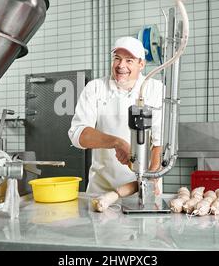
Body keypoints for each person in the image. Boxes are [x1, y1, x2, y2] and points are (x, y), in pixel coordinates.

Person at [68, 36, 163, 203]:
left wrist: (151, 176)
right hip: (102, 190)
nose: (121, 65)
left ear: (141, 64)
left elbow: (159, 141)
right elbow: (78, 134)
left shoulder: (155, 89)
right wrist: (117, 143)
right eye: (117, 58)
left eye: (129, 60)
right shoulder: (95, 88)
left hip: (143, 189)